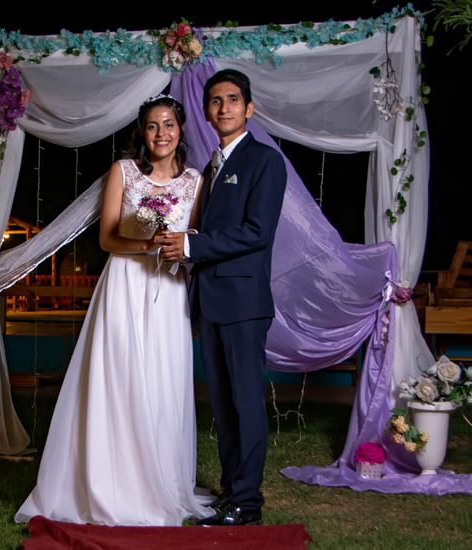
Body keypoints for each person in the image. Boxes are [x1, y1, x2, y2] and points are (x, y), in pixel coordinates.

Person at [15, 94, 212, 526]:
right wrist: (148, 244)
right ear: (143, 133)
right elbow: (106, 239)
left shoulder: (196, 181)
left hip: (167, 291)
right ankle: (110, 482)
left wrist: (179, 250)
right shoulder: (123, 172)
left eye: (169, 125)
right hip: (124, 284)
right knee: (118, 377)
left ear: (180, 130)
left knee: (163, 380)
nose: (161, 133)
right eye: (152, 126)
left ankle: (159, 480)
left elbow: (193, 237)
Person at [157, 68, 287, 526]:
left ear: (249, 109)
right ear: (207, 112)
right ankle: (232, 491)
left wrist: (191, 246)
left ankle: (248, 503)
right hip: (211, 301)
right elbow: (213, 229)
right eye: (215, 101)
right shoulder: (213, 165)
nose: (224, 107)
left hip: (243, 304)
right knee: (224, 404)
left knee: (246, 403)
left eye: (233, 99)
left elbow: (256, 232)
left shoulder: (264, 161)